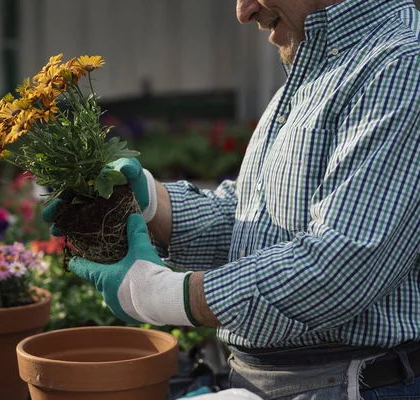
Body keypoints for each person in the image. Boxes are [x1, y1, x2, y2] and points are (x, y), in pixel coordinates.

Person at [43, 0, 420, 398]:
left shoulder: (401, 64)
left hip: (357, 384)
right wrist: (152, 204)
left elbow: (342, 266)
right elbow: (256, 226)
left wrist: (157, 294)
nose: (244, 11)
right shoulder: (321, 68)